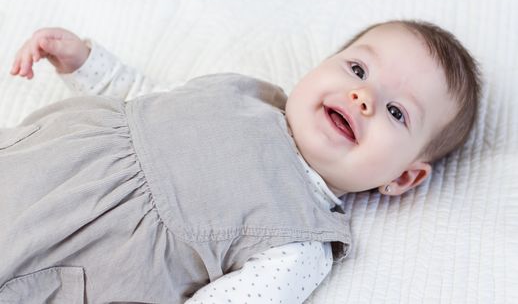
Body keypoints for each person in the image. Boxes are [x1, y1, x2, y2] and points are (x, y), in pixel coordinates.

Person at [1, 20, 480, 303]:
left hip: (81, 256)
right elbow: (148, 98)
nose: (363, 96)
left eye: (396, 112)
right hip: (40, 161)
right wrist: (85, 62)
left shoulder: (301, 240)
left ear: (403, 177)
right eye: (357, 69)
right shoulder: (244, 91)